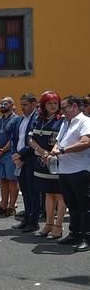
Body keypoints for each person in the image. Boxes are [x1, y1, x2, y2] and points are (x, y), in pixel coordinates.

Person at [48, 96, 90, 251]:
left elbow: (86, 142)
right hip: (65, 169)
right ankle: (75, 234)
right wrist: (53, 151)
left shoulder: (85, 121)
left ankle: (87, 237)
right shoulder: (66, 123)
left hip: (80, 169)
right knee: (72, 205)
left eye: (64, 107)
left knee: (84, 206)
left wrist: (64, 150)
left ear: (74, 106)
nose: (62, 110)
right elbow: (59, 141)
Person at [28, 91, 66, 239]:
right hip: (41, 162)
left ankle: (59, 225)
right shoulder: (38, 119)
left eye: (55, 103)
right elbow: (30, 139)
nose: (53, 106)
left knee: (60, 194)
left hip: (56, 162)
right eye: (49, 103)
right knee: (48, 193)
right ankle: (49, 224)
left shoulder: (62, 120)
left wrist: (50, 154)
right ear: (44, 105)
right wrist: (41, 151)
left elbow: (61, 140)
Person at [11, 93, 41, 232]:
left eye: (25, 105)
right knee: (25, 191)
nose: (22, 107)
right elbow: (14, 139)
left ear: (34, 104)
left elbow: (34, 141)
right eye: (21, 104)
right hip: (19, 160)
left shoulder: (37, 118)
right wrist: (15, 156)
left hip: (30, 159)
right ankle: (27, 218)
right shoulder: (20, 120)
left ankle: (34, 221)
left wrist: (21, 155)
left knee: (32, 191)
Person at [0, 96, 20, 217]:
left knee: (12, 180)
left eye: (5, 103)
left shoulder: (16, 120)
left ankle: (11, 206)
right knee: (2, 180)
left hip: (9, 153)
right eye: (0, 104)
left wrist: (2, 150)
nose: (2, 106)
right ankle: (3, 204)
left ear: (12, 105)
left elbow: (14, 138)